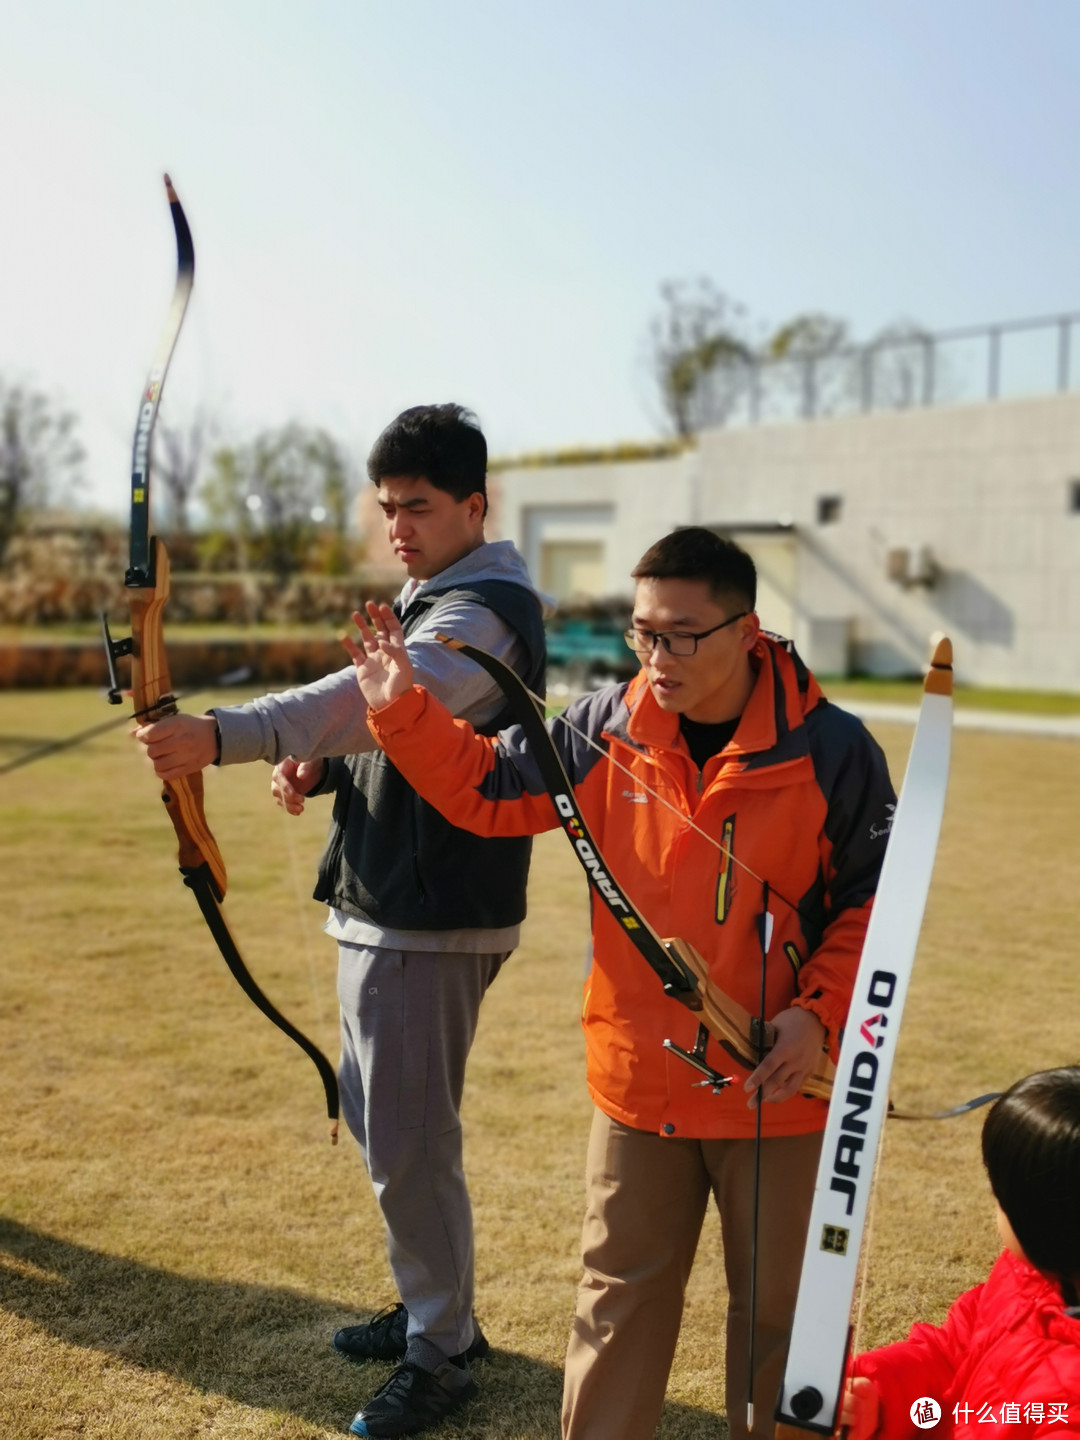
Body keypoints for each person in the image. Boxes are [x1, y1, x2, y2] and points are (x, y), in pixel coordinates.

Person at [341, 525, 897, 1440]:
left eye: (682, 633)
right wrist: (402, 712)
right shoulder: (602, 727)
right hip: (642, 1086)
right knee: (615, 1306)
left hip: (783, 1088)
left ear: (748, 631)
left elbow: (872, 905)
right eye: (644, 631)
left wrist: (817, 1018)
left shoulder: (834, 750)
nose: (658, 654)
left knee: (782, 1324)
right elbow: (486, 788)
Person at [135, 403, 547, 1439]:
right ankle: (431, 1308)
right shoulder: (432, 595)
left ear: (473, 504)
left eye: (418, 506)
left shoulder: (484, 607)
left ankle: (443, 1348)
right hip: (386, 896)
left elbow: (392, 703)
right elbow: (391, 731)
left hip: (432, 911)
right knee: (384, 1125)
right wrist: (313, 768)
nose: (398, 525)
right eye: (386, 508)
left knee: (406, 1140)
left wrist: (229, 733)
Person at [840, 1067, 1080, 1440]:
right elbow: (953, 1353)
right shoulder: (1025, 1276)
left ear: (1043, 1221)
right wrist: (879, 1398)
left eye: (1001, 1197)